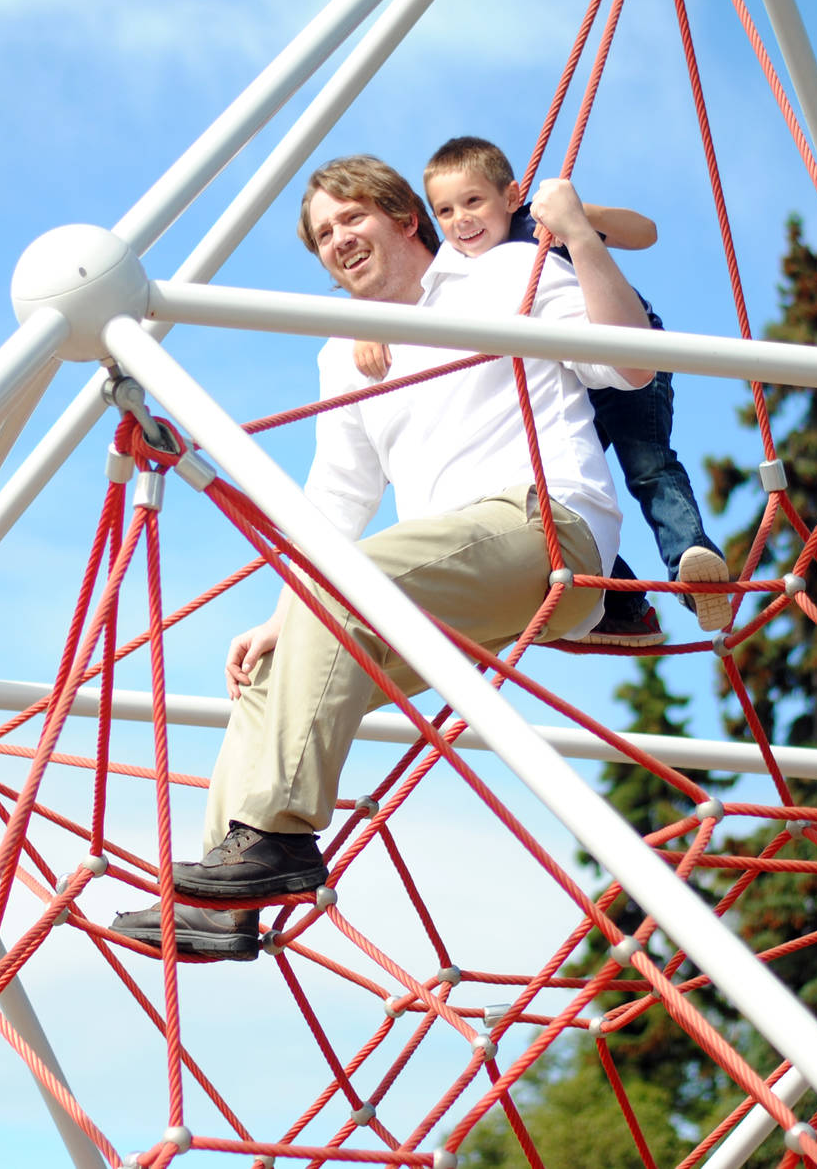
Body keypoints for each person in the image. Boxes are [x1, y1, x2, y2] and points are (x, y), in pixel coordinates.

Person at [111, 155, 651, 960]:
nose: (338, 240)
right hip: (443, 572)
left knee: (340, 584)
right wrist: (278, 614)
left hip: (545, 525)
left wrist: (577, 236)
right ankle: (225, 906)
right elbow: (333, 499)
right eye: (323, 234)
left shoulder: (499, 271)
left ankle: (279, 833)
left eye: (352, 218)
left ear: (405, 218)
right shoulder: (344, 351)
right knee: (269, 662)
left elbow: (628, 362)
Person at [358, 137, 730, 642]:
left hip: (619, 353)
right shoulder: (459, 264)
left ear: (511, 196)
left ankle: (692, 558)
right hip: (570, 376)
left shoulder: (533, 222)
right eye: (445, 211)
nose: (461, 220)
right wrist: (372, 324)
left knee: (647, 463)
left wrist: (577, 216)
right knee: (564, 474)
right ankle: (622, 606)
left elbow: (647, 232)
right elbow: (415, 295)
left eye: (473, 202)